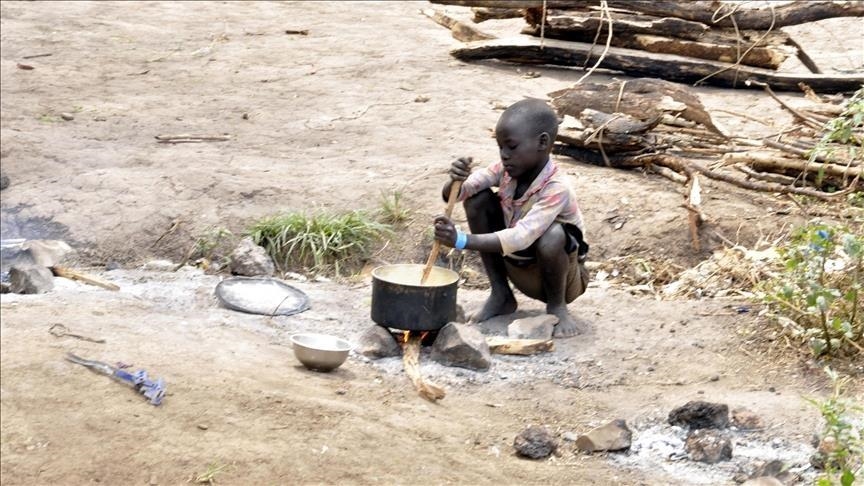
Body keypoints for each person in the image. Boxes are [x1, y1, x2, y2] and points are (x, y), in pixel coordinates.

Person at [433, 99, 589, 337]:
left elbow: (520, 237)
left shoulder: (557, 188)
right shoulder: (505, 170)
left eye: (512, 146)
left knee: (553, 235)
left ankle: (557, 307)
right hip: (519, 265)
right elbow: (464, 191)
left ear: (543, 142)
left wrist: (461, 240)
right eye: (501, 148)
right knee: (478, 200)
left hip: (564, 279)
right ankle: (501, 294)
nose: (505, 155)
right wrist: (455, 181)